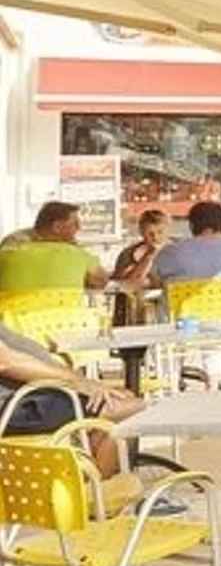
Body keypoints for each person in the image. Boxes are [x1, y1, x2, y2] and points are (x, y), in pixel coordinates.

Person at [0, 319, 144, 478]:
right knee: (130, 409)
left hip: (36, 395)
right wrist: (79, 382)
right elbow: (7, 363)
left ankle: (92, 478)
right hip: (20, 406)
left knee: (124, 400)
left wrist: (82, 382)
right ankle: (94, 489)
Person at [0, 201, 109, 296]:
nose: (79, 227)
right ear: (57, 227)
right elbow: (101, 280)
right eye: (75, 223)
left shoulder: (10, 246)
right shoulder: (15, 244)